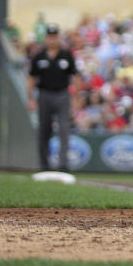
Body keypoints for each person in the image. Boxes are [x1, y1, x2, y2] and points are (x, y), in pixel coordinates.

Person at [27, 24, 81, 172]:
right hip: (44, 95)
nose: (52, 40)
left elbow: (75, 77)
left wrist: (76, 98)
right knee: (44, 130)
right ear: (46, 38)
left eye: (54, 36)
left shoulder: (66, 55)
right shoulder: (39, 56)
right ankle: (44, 165)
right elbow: (31, 78)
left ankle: (63, 165)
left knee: (64, 130)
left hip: (62, 94)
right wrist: (30, 98)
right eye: (50, 37)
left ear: (58, 37)